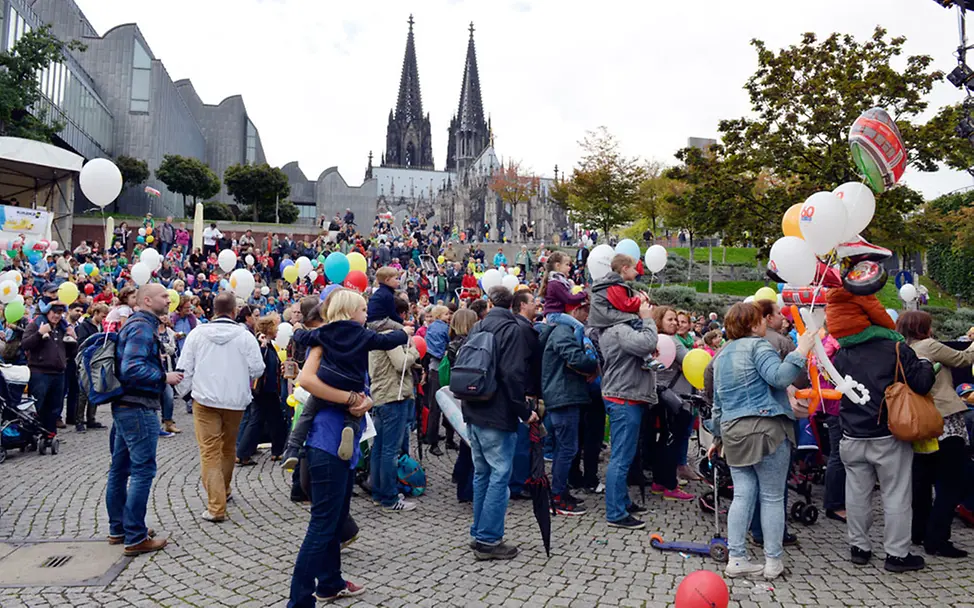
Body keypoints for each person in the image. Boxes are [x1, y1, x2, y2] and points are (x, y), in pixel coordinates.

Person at [829, 299, 935, 573]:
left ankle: (859, 548)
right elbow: (922, 384)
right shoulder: (896, 348)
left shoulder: (843, 352)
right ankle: (897, 554)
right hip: (888, 434)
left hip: (852, 433)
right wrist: (924, 362)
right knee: (896, 495)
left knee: (856, 493)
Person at [711, 302, 814, 580]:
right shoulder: (759, 346)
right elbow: (779, 378)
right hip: (766, 429)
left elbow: (717, 403)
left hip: (733, 432)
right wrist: (801, 350)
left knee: (742, 495)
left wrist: (717, 437)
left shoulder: (721, 356)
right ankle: (772, 561)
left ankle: (737, 558)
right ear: (754, 324)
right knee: (771, 496)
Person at [282, 290, 411, 467]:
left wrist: (296, 330)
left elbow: (305, 338)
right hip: (353, 384)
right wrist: (404, 333)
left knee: (308, 413)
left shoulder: (325, 332)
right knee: (355, 410)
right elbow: (385, 341)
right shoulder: (363, 334)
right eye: (364, 310)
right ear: (351, 312)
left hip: (328, 381)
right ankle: (350, 428)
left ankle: (293, 448)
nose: (367, 314)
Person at [287, 346, 373, 605]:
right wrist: (352, 400)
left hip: (344, 449)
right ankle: (300, 601)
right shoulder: (324, 344)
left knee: (334, 522)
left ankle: (330, 582)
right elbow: (307, 382)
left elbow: (364, 393)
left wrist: (366, 401)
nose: (366, 315)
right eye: (362, 310)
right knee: (322, 525)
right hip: (326, 446)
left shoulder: (355, 345)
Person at [176, 292, 265, 522]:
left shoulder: (197, 334)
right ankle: (222, 492)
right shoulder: (245, 337)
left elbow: (184, 367)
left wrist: (187, 394)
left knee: (210, 451)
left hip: (205, 400)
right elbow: (258, 369)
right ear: (235, 311)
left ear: (212, 310)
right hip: (235, 401)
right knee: (227, 448)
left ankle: (216, 506)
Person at [107, 284, 182, 556]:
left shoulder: (137, 324)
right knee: (141, 470)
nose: (169, 298)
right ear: (147, 300)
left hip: (126, 406)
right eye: (164, 295)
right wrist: (164, 377)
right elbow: (132, 368)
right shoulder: (141, 326)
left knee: (120, 468)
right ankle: (135, 536)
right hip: (138, 407)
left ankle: (120, 528)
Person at [465, 286, 538, 560]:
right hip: (497, 413)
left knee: (483, 473)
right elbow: (512, 375)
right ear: (512, 305)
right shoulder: (513, 330)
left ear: (490, 302)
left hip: (474, 408)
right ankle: (488, 539)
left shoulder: (479, 326)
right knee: (498, 475)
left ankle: (478, 532)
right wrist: (523, 411)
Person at [898, 311, 974, 557]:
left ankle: (918, 532)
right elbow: (963, 359)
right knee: (954, 481)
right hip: (944, 420)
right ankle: (938, 538)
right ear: (923, 327)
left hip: (918, 422)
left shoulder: (901, 349)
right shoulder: (929, 346)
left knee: (922, 480)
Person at [588, 265, 657, 530]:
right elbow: (647, 344)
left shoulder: (616, 327)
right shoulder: (619, 328)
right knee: (620, 456)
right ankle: (616, 512)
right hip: (623, 397)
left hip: (626, 394)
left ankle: (622, 502)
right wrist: (647, 318)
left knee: (624, 455)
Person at [540, 300, 597, 515]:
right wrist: (591, 359)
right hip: (563, 396)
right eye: (585, 311)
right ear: (575, 310)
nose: (587, 316)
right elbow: (576, 358)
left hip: (565, 395)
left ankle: (560, 490)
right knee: (566, 448)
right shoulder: (564, 330)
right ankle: (557, 496)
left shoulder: (563, 329)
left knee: (566, 448)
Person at [368, 297, 422, 511]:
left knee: (379, 449)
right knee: (389, 450)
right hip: (393, 397)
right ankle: (389, 497)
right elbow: (400, 363)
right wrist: (414, 351)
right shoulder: (389, 337)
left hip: (382, 395)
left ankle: (379, 493)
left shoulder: (375, 336)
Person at [236, 315, 290, 463]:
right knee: (263, 420)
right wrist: (262, 347)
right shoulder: (262, 343)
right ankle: (243, 453)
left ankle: (274, 451)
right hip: (264, 390)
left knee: (272, 420)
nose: (278, 330)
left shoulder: (269, 344)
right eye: (275, 327)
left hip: (267, 389)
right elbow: (259, 363)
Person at [22, 293, 77, 434]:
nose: (57, 316)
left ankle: (50, 435)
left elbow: (71, 352)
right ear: (47, 312)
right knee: (37, 406)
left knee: (55, 407)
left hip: (58, 373)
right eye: (54, 313)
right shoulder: (35, 325)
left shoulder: (62, 328)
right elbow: (25, 344)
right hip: (40, 373)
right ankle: (32, 435)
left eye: (60, 313)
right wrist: (39, 334)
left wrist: (72, 339)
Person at [424, 305, 454, 455]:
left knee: (435, 407)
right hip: (441, 368)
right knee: (441, 406)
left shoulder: (431, 328)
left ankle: (435, 439)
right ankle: (440, 441)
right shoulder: (443, 329)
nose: (449, 316)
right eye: (447, 313)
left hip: (434, 368)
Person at [541, 252, 588, 343]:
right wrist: (583, 294)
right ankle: (576, 346)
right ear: (558, 265)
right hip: (554, 315)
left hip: (556, 314)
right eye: (567, 265)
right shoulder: (555, 283)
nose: (569, 268)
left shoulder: (559, 282)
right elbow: (569, 299)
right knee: (579, 326)